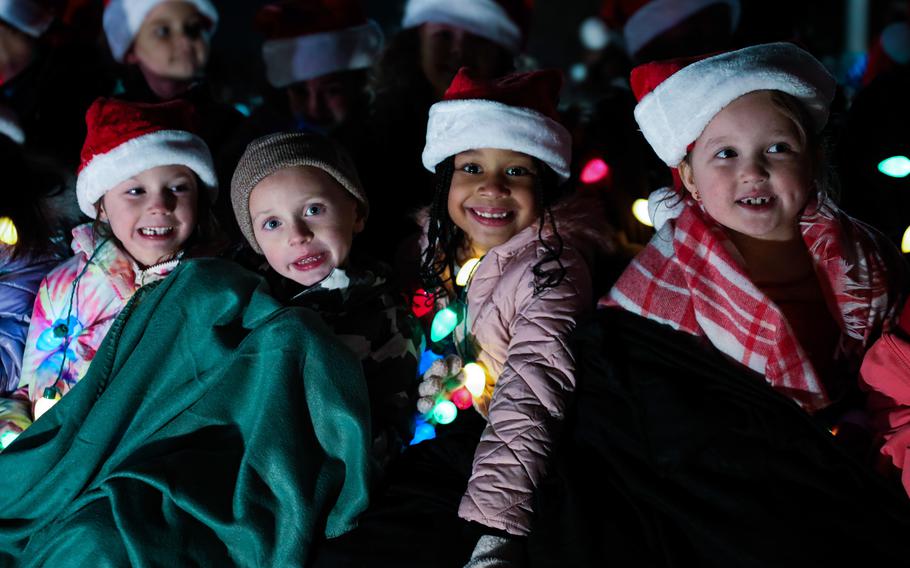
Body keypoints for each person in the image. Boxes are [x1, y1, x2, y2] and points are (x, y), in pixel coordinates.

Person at [528, 43, 910, 566]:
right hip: (730, 494)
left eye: (777, 148)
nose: (753, 172)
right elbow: (649, 409)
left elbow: (891, 375)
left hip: (850, 469)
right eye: (725, 154)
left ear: (815, 158)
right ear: (688, 178)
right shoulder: (663, 287)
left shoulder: (868, 258)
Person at [0, 96, 220, 443]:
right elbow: (26, 389)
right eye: (135, 191)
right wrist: (14, 428)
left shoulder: (212, 288)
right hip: (55, 446)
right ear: (101, 206)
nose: (159, 205)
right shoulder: (63, 284)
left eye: (178, 187)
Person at [231, 131, 420, 472]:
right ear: (255, 242)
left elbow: (389, 424)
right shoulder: (242, 295)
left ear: (356, 213)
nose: (298, 235)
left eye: (313, 209)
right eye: (272, 223)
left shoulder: (383, 314)